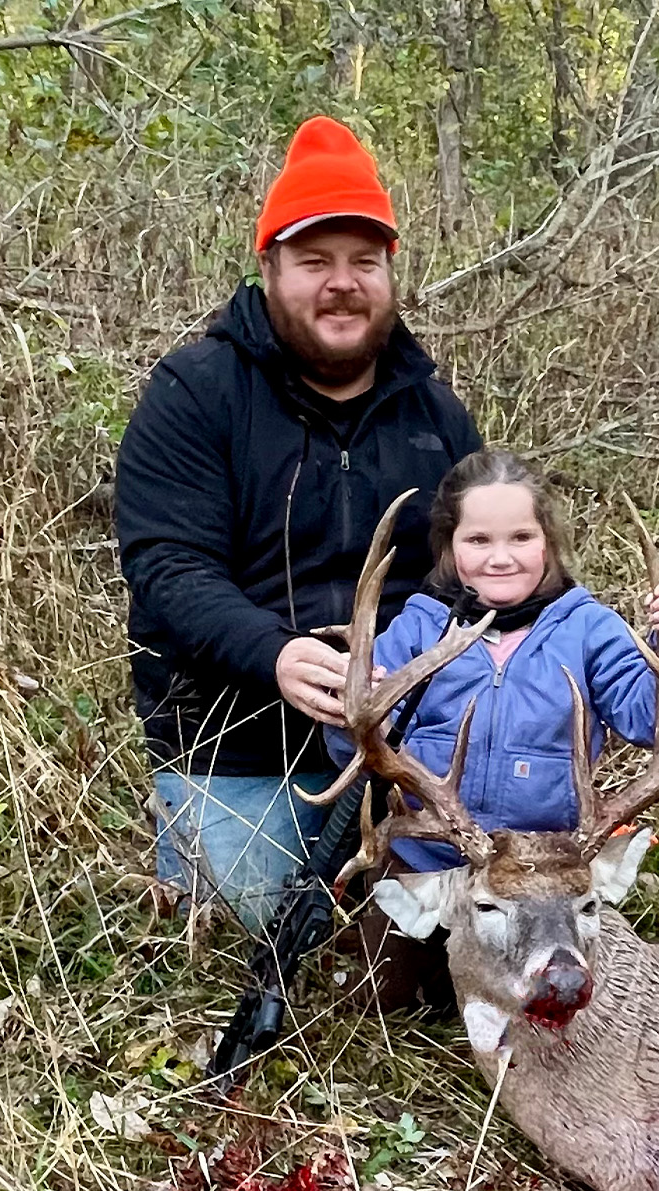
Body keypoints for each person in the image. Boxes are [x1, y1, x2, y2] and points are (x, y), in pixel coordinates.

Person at [115, 116, 482, 932]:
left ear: (389, 272)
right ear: (269, 268)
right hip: (241, 747)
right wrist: (274, 655)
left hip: (418, 748)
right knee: (279, 935)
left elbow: (492, 576)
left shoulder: (435, 416)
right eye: (315, 262)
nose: (341, 284)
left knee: (476, 929)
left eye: (364, 262)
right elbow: (167, 564)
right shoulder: (196, 393)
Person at [325, 450, 659, 1007]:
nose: (500, 559)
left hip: (546, 872)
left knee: (560, 1001)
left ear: (548, 541)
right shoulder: (420, 628)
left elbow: (649, 717)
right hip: (433, 863)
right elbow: (355, 749)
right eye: (478, 540)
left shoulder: (588, 628)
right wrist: (353, 708)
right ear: (449, 546)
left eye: (521, 538)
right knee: (385, 1002)